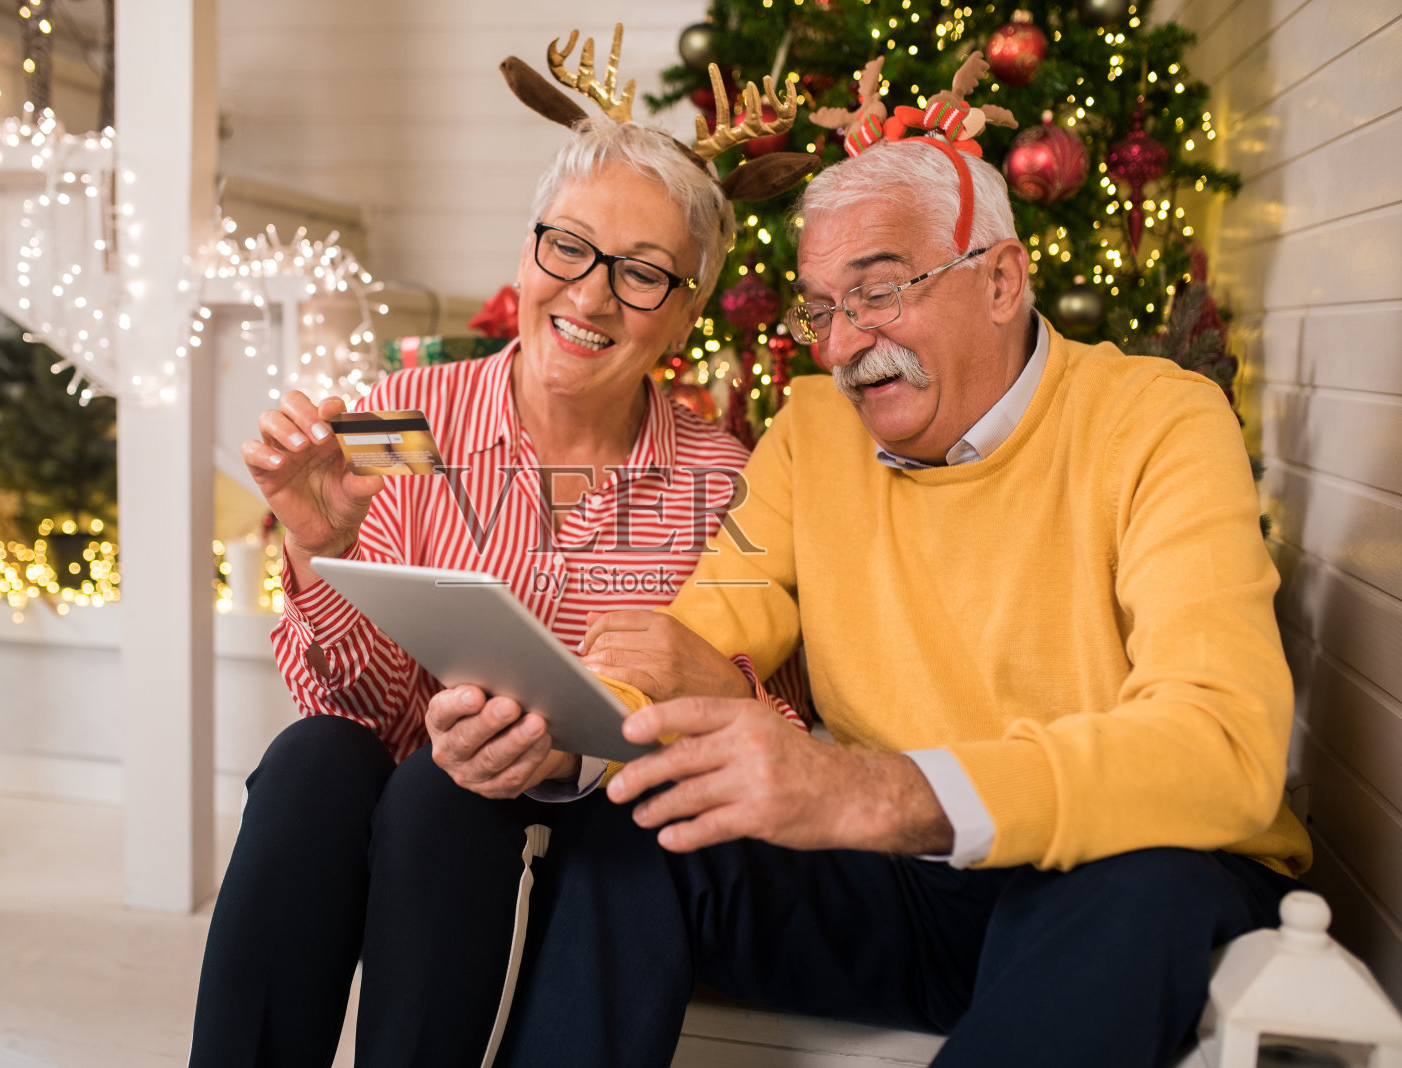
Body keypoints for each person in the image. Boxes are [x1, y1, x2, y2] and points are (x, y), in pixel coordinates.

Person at [388, 134, 1314, 1067]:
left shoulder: (1161, 421)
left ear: (1001, 281)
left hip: (1114, 874)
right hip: (909, 887)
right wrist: (565, 733)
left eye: (877, 293)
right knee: (642, 820)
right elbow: (694, 635)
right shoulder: (812, 432)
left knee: (1148, 885)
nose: (845, 345)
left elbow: (1223, 745)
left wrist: (871, 790)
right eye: (823, 309)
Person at [186, 101, 818, 1066]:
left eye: (642, 273)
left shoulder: (724, 481)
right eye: (568, 248)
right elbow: (363, 709)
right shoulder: (401, 421)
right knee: (318, 757)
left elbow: (783, 725)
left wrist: (695, 687)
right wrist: (322, 548)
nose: (592, 299)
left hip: (606, 820)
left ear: (689, 307)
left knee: (448, 794)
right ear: (527, 257)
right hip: (418, 799)